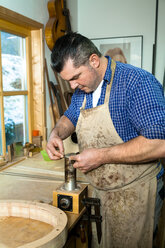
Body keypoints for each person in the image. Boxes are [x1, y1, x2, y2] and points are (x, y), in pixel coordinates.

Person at [46, 32, 165, 248]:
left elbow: (159, 144)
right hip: (101, 192)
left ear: (93, 60)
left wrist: (101, 156)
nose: (72, 86)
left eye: (75, 77)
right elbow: (70, 117)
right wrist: (55, 134)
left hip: (136, 191)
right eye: (67, 80)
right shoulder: (84, 88)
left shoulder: (137, 82)